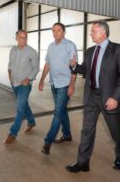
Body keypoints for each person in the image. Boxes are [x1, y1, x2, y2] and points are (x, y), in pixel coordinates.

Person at [66, 20, 120, 173]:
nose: (90, 34)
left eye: (93, 31)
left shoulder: (118, 50)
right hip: (91, 97)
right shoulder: (90, 51)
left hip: (110, 98)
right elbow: (86, 70)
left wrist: (115, 97)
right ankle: (83, 162)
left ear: (103, 32)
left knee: (117, 131)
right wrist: (75, 66)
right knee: (87, 130)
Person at [38, 22, 77, 155]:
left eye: (58, 30)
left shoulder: (70, 46)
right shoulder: (50, 46)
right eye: (53, 30)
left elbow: (74, 68)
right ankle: (67, 135)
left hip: (65, 84)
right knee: (62, 111)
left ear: (64, 32)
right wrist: (42, 80)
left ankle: (47, 142)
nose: (55, 33)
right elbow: (47, 64)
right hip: (54, 83)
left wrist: (72, 85)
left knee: (58, 112)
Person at [4, 30, 39, 144]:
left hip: (25, 85)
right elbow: (10, 64)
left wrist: (28, 79)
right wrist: (10, 76)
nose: (23, 40)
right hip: (14, 83)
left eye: (25, 38)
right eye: (21, 38)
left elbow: (36, 68)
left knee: (19, 108)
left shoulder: (32, 52)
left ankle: (13, 133)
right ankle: (31, 121)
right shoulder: (13, 50)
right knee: (24, 105)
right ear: (16, 38)